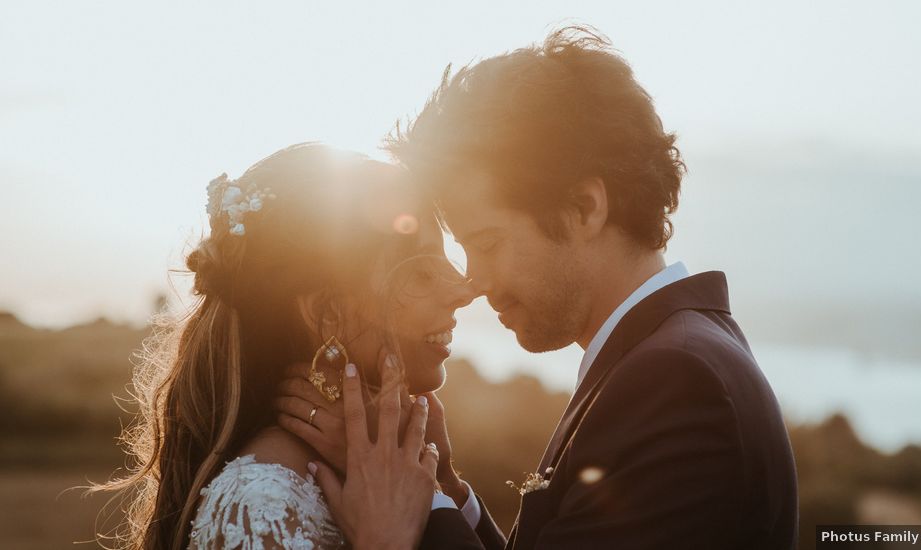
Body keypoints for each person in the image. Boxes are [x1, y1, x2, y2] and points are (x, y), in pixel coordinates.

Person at [280, 27, 798, 549]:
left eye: (487, 241)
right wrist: (442, 487)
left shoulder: (677, 382)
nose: (474, 282)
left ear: (584, 208)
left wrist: (403, 518)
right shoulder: (669, 356)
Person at [94, 142, 476, 549]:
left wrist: (441, 486)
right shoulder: (262, 503)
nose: (464, 290)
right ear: (330, 314)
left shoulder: (385, 475)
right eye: (422, 273)